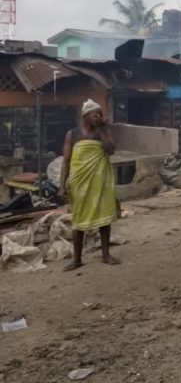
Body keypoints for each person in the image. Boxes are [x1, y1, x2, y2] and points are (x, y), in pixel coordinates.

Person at [58, 99, 121, 272]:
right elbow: (66, 161)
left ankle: (106, 254)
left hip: (101, 182)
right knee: (79, 220)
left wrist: (103, 128)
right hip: (79, 182)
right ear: (85, 116)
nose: (98, 117)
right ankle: (77, 259)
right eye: (95, 114)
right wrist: (62, 186)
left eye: (100, 114)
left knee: (104, 217)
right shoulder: (73, 134)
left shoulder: (101, 132)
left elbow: (110, 149)